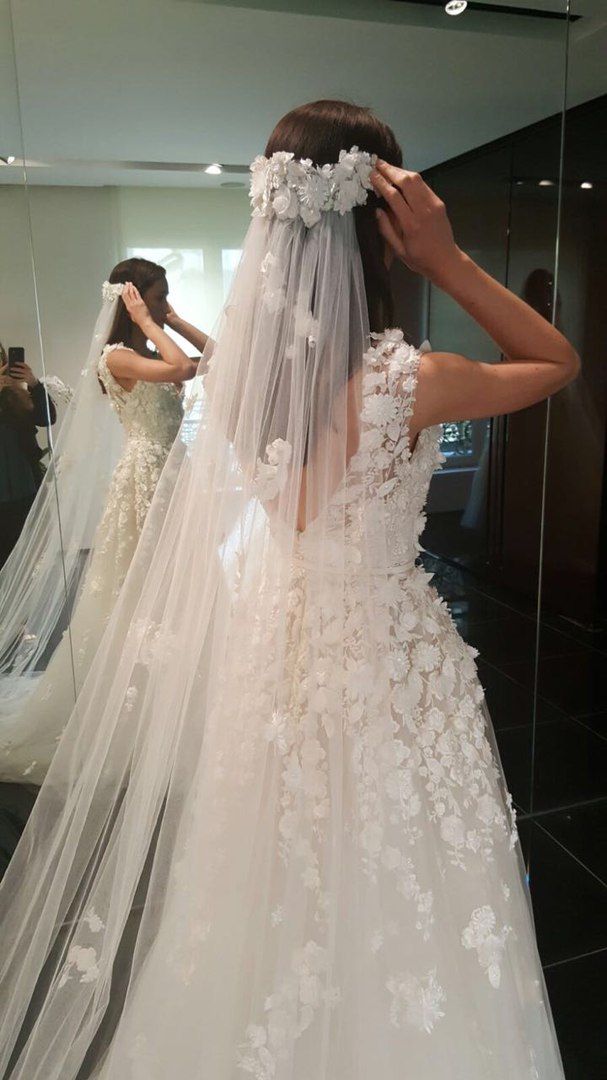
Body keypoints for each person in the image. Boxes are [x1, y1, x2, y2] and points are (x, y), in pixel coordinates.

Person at [0, 101, 578, 1078]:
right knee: (401, 872)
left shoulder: (238, 383)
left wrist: (159, 316)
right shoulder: (408, 379)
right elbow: (556, 361)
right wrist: (448, 262)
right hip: (391, 659)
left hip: (278, 648)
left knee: (276, 868)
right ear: (382, 223)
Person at [0, 258, 209, 783]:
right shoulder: (117, 357)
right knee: (139, 595)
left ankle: (185, 697)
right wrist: (147, 322)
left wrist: (176, 321)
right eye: (157, 296)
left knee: (185, 589)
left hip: (174, 473)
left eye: (164, 297)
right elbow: (183, 370)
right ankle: (139, 704)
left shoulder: (143, 347)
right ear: (132, 301)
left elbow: (214, 360)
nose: (163, 304)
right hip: (144, 478)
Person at [0, 350, 57, 568]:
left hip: (24, 483)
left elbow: (47, 418)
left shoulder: (18, 391)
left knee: (26, 556)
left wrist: (33, 383)